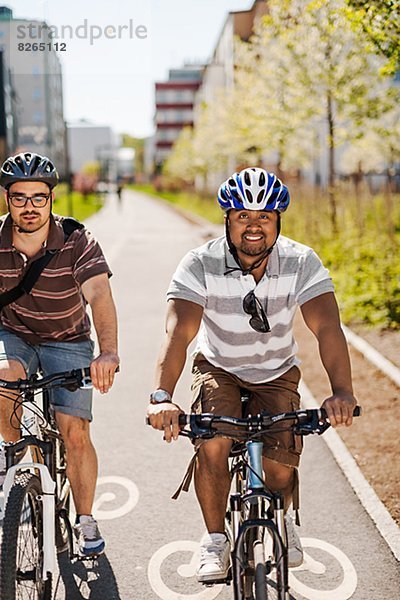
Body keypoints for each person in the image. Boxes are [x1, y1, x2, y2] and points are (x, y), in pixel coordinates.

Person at [147, 167, 357, 583]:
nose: (254, 226)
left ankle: (283, 519)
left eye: (265, 217)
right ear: (227, 218)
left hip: (276, 371)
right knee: (213, 443)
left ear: (278, 220)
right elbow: (180, 332)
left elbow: (327, 329)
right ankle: (214, 539)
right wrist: (162, 396)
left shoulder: (301, 262)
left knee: (280, 465)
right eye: (243, 216)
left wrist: (342, 391)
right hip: (219, 365)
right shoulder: (199, 263)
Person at [0, 152, 119, 556]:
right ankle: (26, 468)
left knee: (76, 435)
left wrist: (108, 353)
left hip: (67, 339)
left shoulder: (76, 241)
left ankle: (85, 519)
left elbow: (99, 295)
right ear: (6, 199)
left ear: (52, 198)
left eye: (38, 197)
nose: (29, 206)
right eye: (19, 197)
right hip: (14, 334)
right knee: (4, 377)